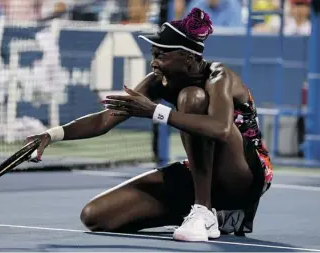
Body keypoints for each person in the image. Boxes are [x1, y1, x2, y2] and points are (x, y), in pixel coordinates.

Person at [25, 8, 273, 242]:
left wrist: (157, 111)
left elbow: (220, 128)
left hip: (245, 175)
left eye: (160, 55)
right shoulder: (158, 81)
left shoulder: (220, 76)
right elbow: (104, 120)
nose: (153, 62)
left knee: (191, 97)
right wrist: (51, 134)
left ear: (187, 57)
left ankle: (204, 212)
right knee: (96, 216)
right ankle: (215, 214)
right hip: (203, 176)